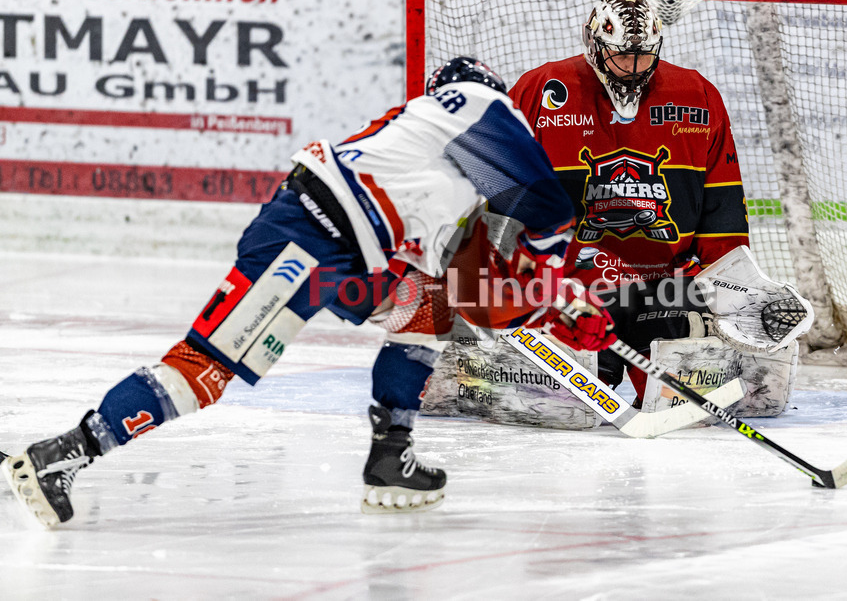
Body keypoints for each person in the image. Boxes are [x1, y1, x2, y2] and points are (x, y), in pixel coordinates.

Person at [1, 57, 614, 527]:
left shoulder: (424, 167)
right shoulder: (477, 103)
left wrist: (550, 308)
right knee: (204, 373)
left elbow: (469, 290)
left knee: (426, 313)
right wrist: (560, 289)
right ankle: (64, 452)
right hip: (312, 235)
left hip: (352, 252)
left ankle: (389, 456)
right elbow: (548, 207)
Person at [507, 0, 750, 404]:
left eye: (643, 58)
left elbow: (722, 205)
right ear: (595, 44)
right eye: (622, 57)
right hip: (573, 287)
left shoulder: (697, 95)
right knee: (558, 401)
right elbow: (503, 199)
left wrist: (732, 290)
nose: (633, 70)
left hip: (665, 289)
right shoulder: (540, 90)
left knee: (678, 389)